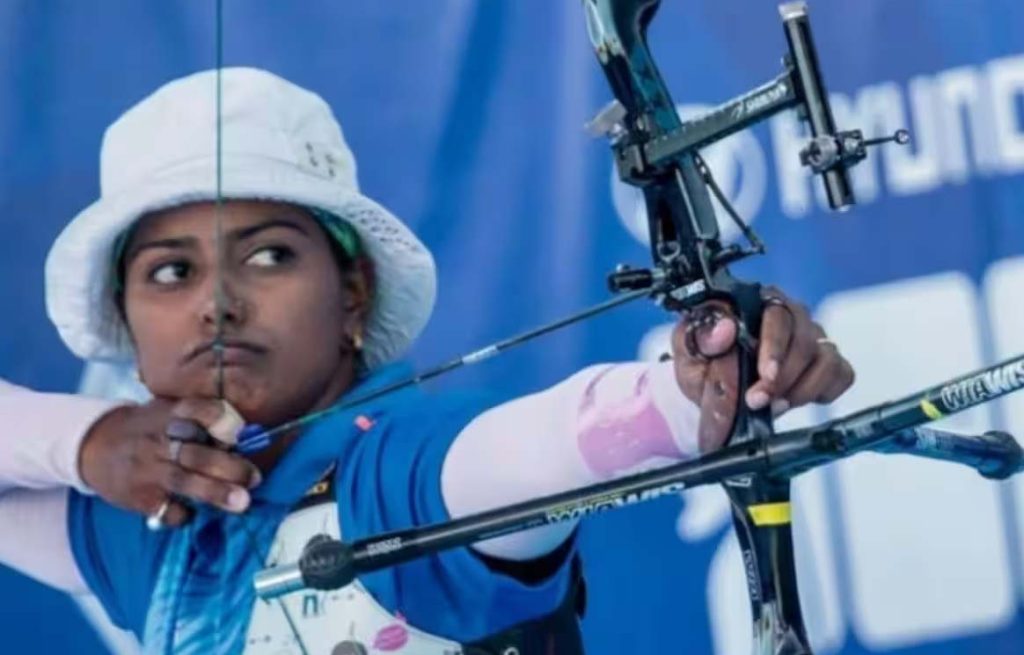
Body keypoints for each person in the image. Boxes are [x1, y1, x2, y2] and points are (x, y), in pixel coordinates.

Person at [0, 67, 853, 654]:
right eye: (170, 273)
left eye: (268, 256)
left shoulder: (398, 463)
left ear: (354, 296)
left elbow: (541, 448)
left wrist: (692, 385)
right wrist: (89, 441)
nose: (216, 302)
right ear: (128, 321)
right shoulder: (156, 530)